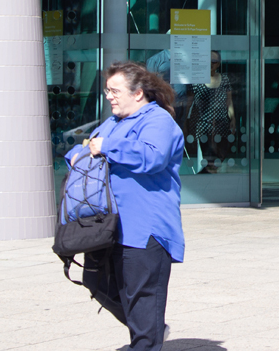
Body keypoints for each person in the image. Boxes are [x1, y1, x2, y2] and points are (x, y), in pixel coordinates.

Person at [81, 61, 185, 351]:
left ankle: (146, 337)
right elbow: (88, 145)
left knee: (142, 297)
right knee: (96, 282)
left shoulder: (158, 121)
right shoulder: (114, 122)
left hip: (146, 228)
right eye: (107, 90)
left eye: (115, 90)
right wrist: (77, 155)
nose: (109, 96)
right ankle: (149, 330)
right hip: (111, 226)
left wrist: (106, 147)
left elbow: (152, 157)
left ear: (138, 93)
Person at [187, 51, 236, 173]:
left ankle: (208, 179)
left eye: (213, 61)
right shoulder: (197, 81)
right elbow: (189, 103)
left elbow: (229, 102)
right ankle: (209, 182)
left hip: (222, 125)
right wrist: (186, 122)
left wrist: (233, 118)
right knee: (209, 157)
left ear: (218, 64)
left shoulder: (224, 79)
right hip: (204, 126)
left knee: (220, 156)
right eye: (208, 61)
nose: (210, 64)